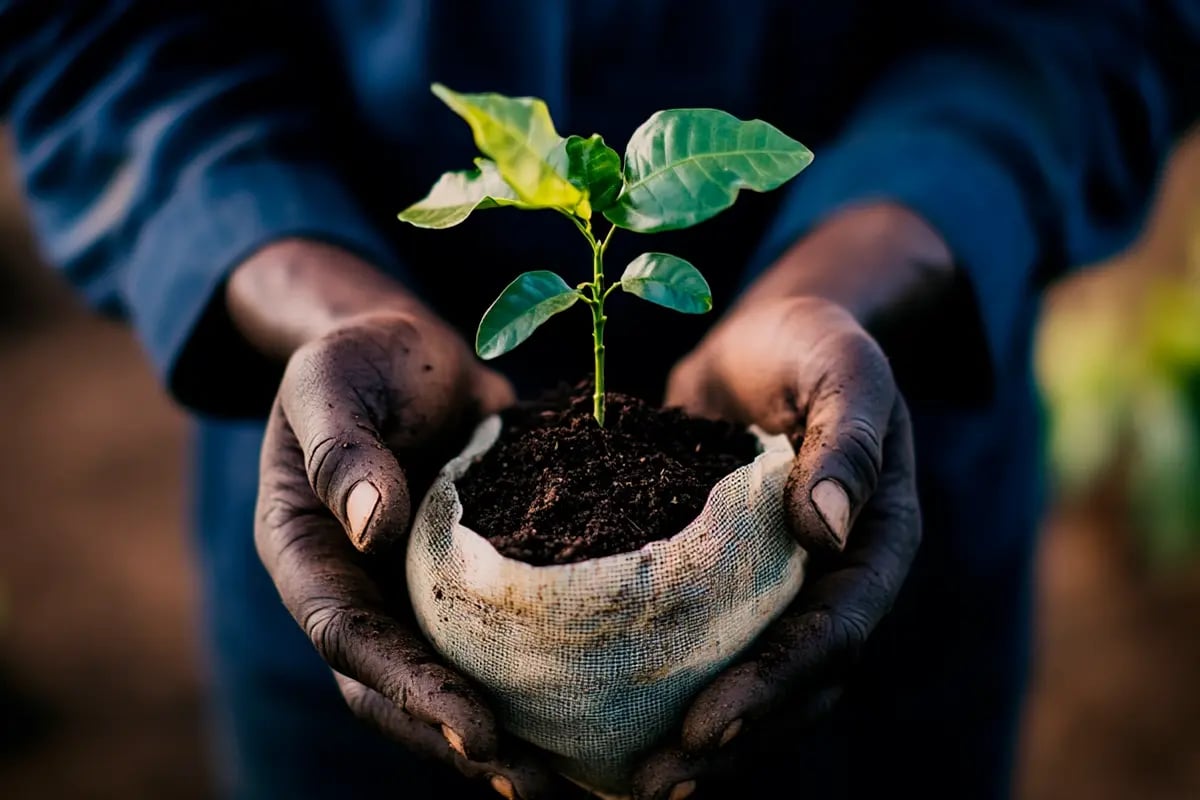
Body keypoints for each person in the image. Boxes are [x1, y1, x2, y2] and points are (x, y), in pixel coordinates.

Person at [2, 2, 1197, 798]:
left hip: (878, 538)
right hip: (352, 559)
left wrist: (854, 264)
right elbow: (94, 26)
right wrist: (314, 298)